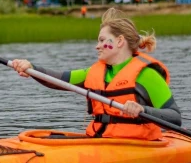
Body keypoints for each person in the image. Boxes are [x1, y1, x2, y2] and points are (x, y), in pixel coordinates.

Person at [11, 9, 182, 140]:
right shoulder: (94, 73)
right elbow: (56, 80)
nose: (97, 46)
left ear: (119, 41)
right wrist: (31, 68)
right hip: (99, 142)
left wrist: (142, 109)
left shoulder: (147, 75)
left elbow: (174, 117)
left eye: (101, 40)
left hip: (138, 146)